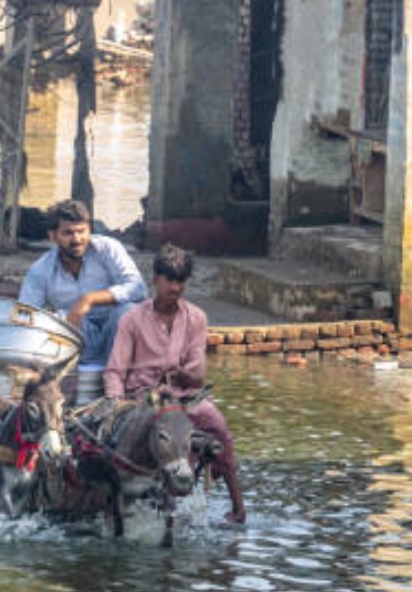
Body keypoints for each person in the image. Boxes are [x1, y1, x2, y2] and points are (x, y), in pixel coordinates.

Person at [103, 243, 246, 525]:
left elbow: (198, 376)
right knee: (160, 429)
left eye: (181, 281)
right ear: (156, 278)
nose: (175, 287)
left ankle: (238, 506)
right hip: (144, 399)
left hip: (186, 398)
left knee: (219, 428)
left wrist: (180, 376)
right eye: (170, 280)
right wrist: (116, 403)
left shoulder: (196, 318)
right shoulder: (132, 319)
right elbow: (115, 371)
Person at [18, 199, 147, 366]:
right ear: (52, 236)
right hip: (80, 336)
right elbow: (25, 313)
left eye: (81, 231)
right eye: (68, 233)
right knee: (54, 320)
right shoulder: (41, 269)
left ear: (89, 230)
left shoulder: (109, 249)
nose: (77, 239)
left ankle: (121, 379)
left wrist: (89, 299)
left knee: (129, 312)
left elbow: (138, 288)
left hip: (117, 330)